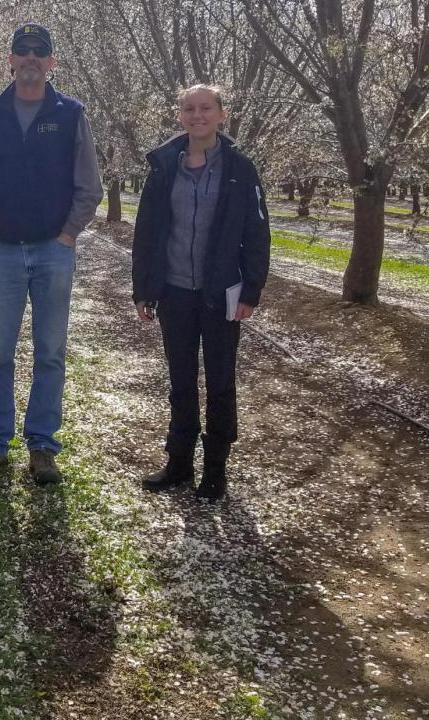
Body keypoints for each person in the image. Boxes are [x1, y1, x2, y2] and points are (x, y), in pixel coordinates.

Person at [0, 23, 103, 485]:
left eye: (39, 52)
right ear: (11, 59)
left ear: (51, 62)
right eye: (22, 50)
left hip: (51, 253)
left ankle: (42, 445)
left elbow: (90, 186)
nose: (30, 58)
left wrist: (66, 237)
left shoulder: (70, 113)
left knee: (50, 353)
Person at [131, 84, 271, 501]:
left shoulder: (240, 169)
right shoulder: (163, 168)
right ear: (180, 116)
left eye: (206, 108)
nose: (198, 115)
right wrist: (144, 289)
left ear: (221, 115)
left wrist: (251, 288)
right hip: (174, 291)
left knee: (221, 379)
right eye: (189, 108)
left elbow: (257, 232)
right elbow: (147, 233)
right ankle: (178, 463)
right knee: (181, 380)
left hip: (221, 293)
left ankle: (215, 469)